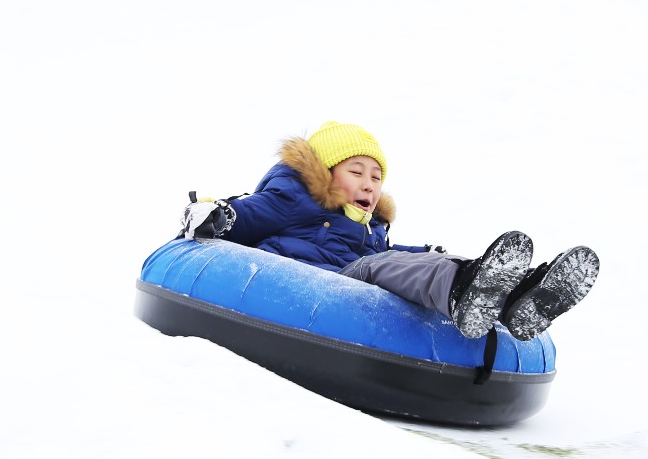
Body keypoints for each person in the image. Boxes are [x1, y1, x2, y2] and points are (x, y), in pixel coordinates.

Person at [180, 121, 599, 342]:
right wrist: (219, 215)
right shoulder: (294, 199)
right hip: (316, 285)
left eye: (377, 176)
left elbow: (390, 253)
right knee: (386, 266)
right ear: (324, 174)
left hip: (358, 279)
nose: (369, 184)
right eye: (356, 171)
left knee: (407, 261)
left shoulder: (372, 228)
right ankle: (463, 287)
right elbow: (251, 215)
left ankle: (517, 298)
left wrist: (428, 251)